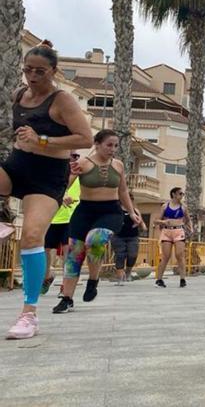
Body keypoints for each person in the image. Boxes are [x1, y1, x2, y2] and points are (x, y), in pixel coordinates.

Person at [3, 41, 93, 339]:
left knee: (31, 235)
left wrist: (41, 140)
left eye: (39, 72)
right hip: (17, 165)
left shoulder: (62, 100)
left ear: (53, 71)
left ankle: (29, 315)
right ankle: (3, 218)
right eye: (28, 70)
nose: (32, 77)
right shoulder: (19, 95)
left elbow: (84, 138)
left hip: (47, 176)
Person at [53, 130, 142, 313]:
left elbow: (123, 191)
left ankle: (93, 281)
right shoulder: (83, 164)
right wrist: (65, 190)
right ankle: (67, 298)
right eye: (109, 145)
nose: (113, 149)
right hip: (84, 212)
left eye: (116, 146)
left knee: (94, 240)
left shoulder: (118, 165)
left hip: (111, 211)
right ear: (97, 143)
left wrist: (132, 213)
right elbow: (65, 185)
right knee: (74, 255)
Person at [41, 163, 80, 295]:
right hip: (51, 217)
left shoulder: (79, 177)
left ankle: (65, 284)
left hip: (70, 218)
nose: (72, 160)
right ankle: (47, 277)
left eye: (75, 157)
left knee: (67, 250)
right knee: (45, 249)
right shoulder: (52, 173)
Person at [154, 187, 192, 288]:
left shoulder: (183, 207)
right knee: (166, 256)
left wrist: (190, 229)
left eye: (182, 194)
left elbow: (188, 219)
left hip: (178, 231)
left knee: (179, 254)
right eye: (180, 193)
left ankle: (182, 279)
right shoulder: (165, 206)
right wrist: (163, 222)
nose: (182, 196)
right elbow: (156, 220)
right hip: (166, 231)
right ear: (174, 194)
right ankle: (159, 279)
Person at [112, 193, 147, 285]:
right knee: (120, 255)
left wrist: (142, 225)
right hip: (118, 236)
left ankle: (128, 272)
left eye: (131, 198)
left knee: (132, 255)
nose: (130, 200)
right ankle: (120, 277)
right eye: (128, 198)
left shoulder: (135, 210)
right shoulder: (117, 210)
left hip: (132, 237)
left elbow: (141, 221)